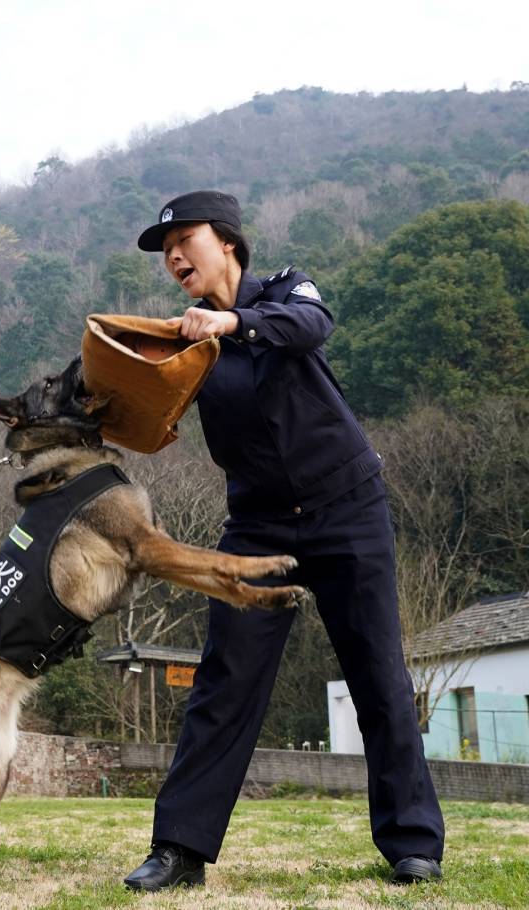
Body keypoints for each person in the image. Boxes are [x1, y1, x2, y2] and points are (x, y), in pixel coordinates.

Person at [122, 191, 445, 891]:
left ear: (228, 242)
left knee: (379, 677)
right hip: (259, 526)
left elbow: (310, 324)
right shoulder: (189, 343)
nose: (174, 255)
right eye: (165, 249)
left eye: (185, 238)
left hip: (348, 507)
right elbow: (143, 409)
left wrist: (233, 321)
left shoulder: (285, 289)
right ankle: (178, 851)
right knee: (225, 680)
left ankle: (413, 844)